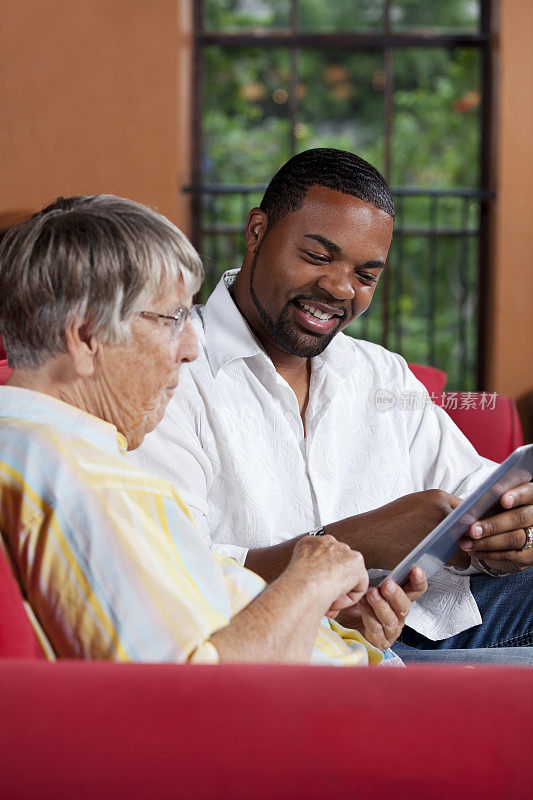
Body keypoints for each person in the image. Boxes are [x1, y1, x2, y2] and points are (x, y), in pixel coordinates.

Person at [132, 148, 533, 659]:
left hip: (436, 615)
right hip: (310, 646)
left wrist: (508, 533)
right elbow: (180, 572)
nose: (340, 288)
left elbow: (473, 491)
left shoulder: (379, 372)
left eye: (366, 275)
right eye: (318, 257)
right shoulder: (173, 373)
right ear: (257, 231)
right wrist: (354, 542)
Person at [0, 193, 427, 666]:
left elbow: (204, 612)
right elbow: (194, 699)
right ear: (85, 338)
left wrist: (315, 611)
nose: (190, 348)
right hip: (357, 711)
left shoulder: (63, 449)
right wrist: (310, 576)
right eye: (171, 318)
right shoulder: (76, 478)